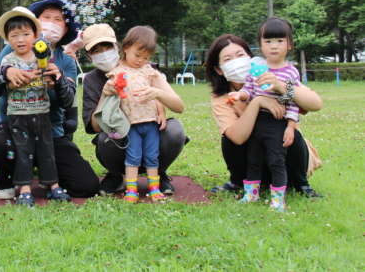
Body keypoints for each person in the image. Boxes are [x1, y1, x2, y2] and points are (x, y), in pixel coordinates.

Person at [0, 0, 100, 199]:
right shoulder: (13, 49)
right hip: (14, 127)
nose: (51, 23)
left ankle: (49, 177)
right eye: (46, 17)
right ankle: (8, 176)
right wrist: (6, 73)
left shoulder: (66, 59)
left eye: (58, 19)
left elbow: (68, 100)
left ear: (66, 27)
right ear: (37, 22)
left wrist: (58, 82)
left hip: (50, 132)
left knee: (86, 185)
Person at [205, 32, 323, 201]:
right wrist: (258, 102)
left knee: (291, 134)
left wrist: (281, 87)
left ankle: (300, 184)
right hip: (255, 158)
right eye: (228, 59)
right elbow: (237, 138)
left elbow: (316, 103)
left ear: (250, 58)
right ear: (219, 69)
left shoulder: (276, 76)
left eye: (240, 55)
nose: (236, 62)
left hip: (284, 153)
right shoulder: (222, 97)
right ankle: (239, 181)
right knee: (229, 137)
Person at [81, 23, 188, 196]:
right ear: (88, 56)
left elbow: (179, 106)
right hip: (120, 136)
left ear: (118, 46)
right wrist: (105, 95)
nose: (103, 54)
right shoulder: (93, 80)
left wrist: (157, 96)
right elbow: (93, 127)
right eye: (96, 50)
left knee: (174, 130)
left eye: (107, 47)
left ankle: (159, 174)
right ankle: (116, 175)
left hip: (149, 128)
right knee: (104, 139)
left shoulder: (147, 69)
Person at [0, 7, 74, 206]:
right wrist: (6, 73)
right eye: (14, 35)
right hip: (18, 116)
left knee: (47, 151)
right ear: (7, 39)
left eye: (26, 34)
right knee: (23, 151)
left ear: (36, 35)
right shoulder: (7, 60)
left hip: (42, 115)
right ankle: (24, 188)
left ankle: (52, 185)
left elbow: (66, 96)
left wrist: (56, 79)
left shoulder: (43, 58)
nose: (20, 39)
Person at [97, 26, 173, 203]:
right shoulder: (117, 70)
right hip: (131, 124)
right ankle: (132, 189)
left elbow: (157, 93)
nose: (141, 60)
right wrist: (111, 87)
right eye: (137, 55)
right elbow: (109, 89)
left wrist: (161, 111)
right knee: (133, 156)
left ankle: (154, 188)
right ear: (126, 48)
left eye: (146, 57)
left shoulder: (149, 71)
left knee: (152, 155)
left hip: (151, 122)